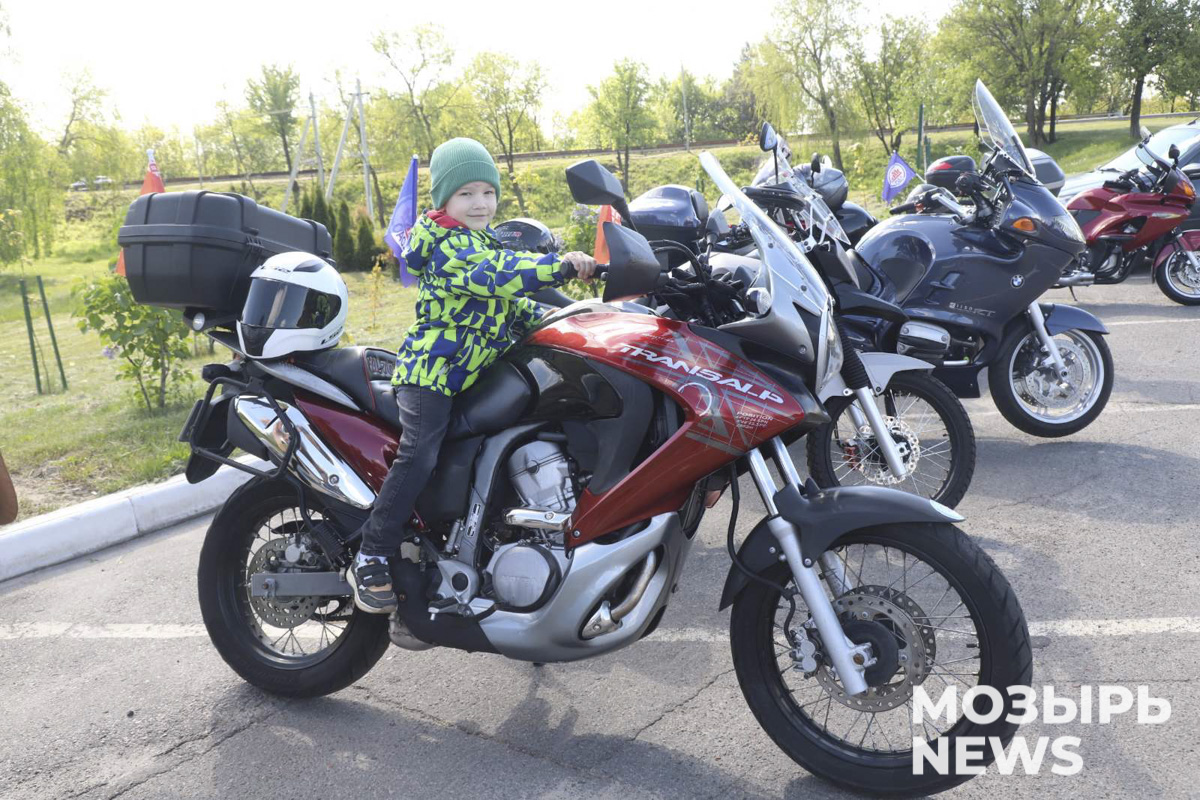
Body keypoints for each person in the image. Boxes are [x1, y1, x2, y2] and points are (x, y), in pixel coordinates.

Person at [346, 137, 597, 613]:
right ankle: (372, 554)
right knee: (420, 453)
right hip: (431, 376)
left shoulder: (480, 240)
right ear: (444, 201)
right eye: (466, 193)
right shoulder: (450, 246)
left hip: (470, 376)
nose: (480, 203)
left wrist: (580, 316)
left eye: (488, 192)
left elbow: (513, 307)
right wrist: (560, 266)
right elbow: (498, 273)